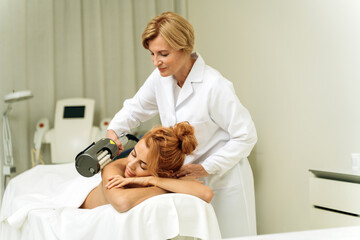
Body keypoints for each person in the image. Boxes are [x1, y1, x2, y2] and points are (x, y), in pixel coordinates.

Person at [106, 11, 257, 237]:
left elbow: (246, 136)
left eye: (163, 54)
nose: (156, 61)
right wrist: (113, 133)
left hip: (223, 180)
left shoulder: (214, 86)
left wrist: (204, 168)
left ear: (183, 48)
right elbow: (134, 108)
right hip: (186, 182)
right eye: (152, 54)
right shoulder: (161, 77)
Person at [81, 122, 213, 211]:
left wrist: (152, 180)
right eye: (133, 154)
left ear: (165, 173)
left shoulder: (160, 178)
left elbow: (206, 194)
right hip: (81, 211)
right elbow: (122, 202)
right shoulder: (114, 168)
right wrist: (168, 187)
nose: (131, 165)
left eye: (143, 166)